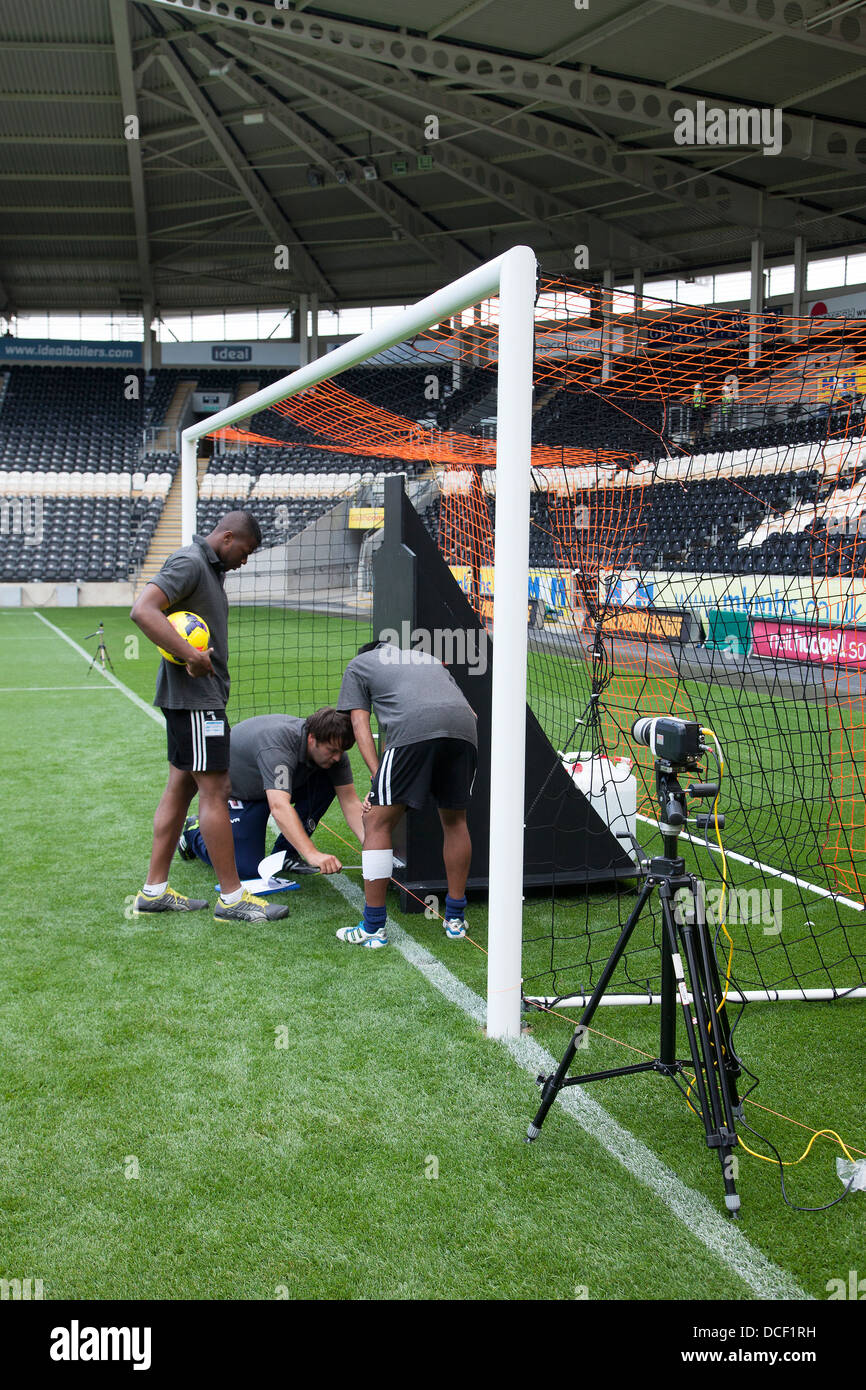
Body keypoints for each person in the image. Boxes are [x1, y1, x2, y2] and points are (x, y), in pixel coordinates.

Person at [130, 511, 289, 924]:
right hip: (197, 701)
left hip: (192, 699)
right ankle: (233, 898)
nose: (246, 560)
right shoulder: (190, 562)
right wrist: (191, 655)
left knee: (180, 788)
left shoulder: (209, 568)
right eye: (246, 551)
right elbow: (143, 610)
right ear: (228, 536)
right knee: (216, 790)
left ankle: (154, 891)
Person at [335, 640, 478, 949]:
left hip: (415, 728)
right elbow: (472, 712)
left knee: (376, 822)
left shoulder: (359, 665)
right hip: (464, 730)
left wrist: (376, 776)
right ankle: (455, 919)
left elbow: (360, 722)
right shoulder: (425, 658)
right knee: (455, 821)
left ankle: (373, 927)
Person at [177, 707, 365, 879]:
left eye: (342, 751)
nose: (338, 757)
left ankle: (285, 853)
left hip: (277, 787)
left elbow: (350, 802)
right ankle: (194, 832)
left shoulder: (334, 754)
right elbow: (279, 807)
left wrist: (372, 847)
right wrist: (312, 853)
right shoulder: (278, 747)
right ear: (312, 738)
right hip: (243, 792)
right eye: (332, 751)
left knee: (326, 781)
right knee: (245, 869)